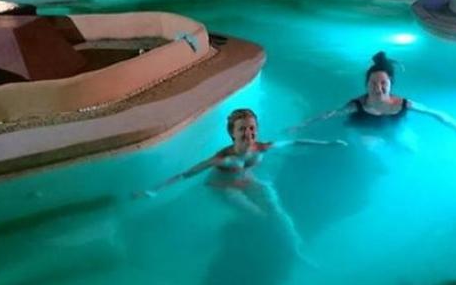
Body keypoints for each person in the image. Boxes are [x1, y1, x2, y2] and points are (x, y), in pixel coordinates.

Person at [142, 108, 346, 261]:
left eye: (252, 128)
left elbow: (295, 143)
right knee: (257, 214)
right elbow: (187, 174)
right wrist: (155, 189)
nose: (248, 133)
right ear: (232, 133)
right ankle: (259, 242)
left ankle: (297, 249)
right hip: (224, 188)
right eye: (242, 129)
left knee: (276, 208)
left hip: (248, 181)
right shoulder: (224, 159)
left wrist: (328, 144)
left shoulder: (261, 148)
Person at [291, 51, 456, 135]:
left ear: (391, 85)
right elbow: (329, 114)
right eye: (373, 83)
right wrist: (301, 126)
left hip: (393, 127)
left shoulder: (403, 104)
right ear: (366, 85)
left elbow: (433, 112)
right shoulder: (356, 106)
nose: (378, 88)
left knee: (409, 150)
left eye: (383, 83)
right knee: (370, 146)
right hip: (363, 129)